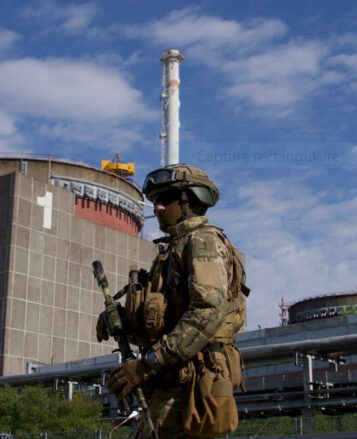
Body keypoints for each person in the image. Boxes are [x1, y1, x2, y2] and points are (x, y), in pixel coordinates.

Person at [96, 163, 249, 438]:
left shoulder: (202, 242)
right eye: (154, 201)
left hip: (190, 386)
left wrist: (145, 366)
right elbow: (165, 326)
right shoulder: (171, 252)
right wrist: (121, 321)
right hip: (170, 382)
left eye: (165, 200)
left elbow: (207, 313)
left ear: (190, 201)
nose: (157, 208)